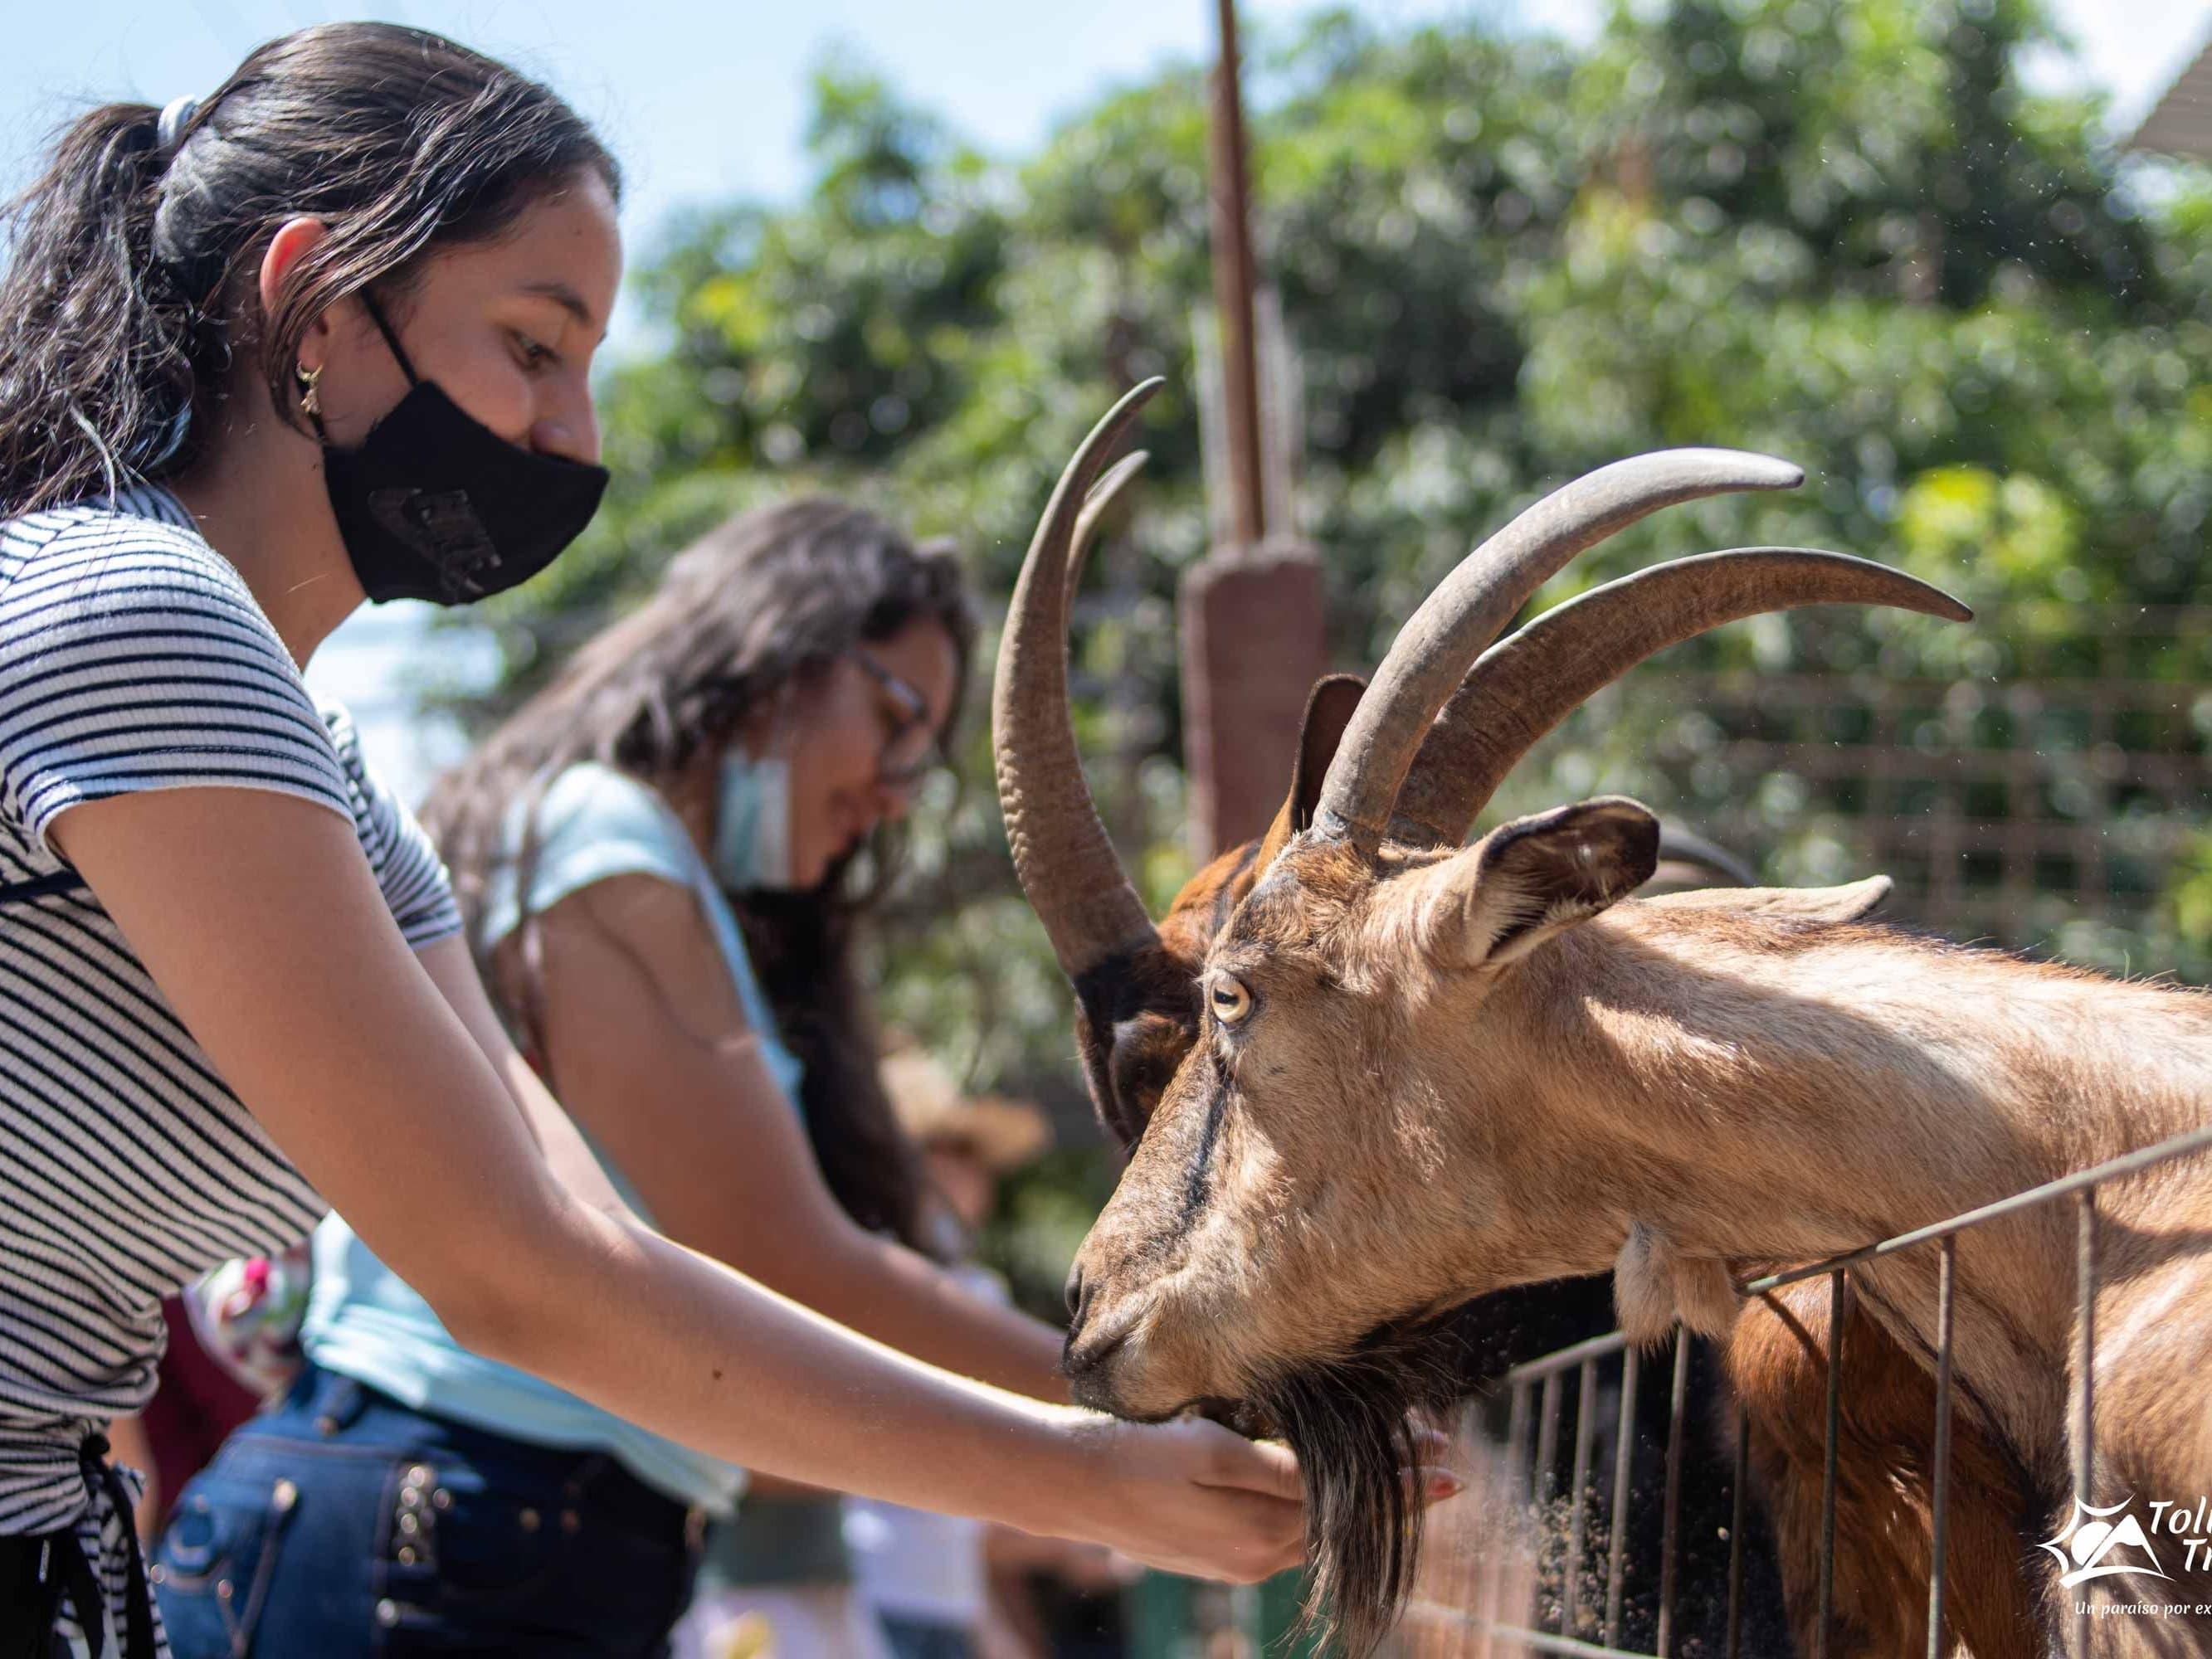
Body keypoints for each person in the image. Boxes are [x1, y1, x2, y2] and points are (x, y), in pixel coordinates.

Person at [0, 23, 1304, 1657]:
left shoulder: (334, 780)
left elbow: (587, 1243)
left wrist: (1102, 1457)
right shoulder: (134, 613)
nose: (579, 436)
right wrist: (1091, 1469)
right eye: (535, 347)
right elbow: (512, 1272)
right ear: (315, 302)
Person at [160, 500, 1072, 1656]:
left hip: (509, 1543)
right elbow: (787, 1264)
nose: (899, 790)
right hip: (437, 1533)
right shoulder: (601, 838)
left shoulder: (657, 874)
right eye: (895, 718)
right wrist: (1150, 1403)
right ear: (778, 651)